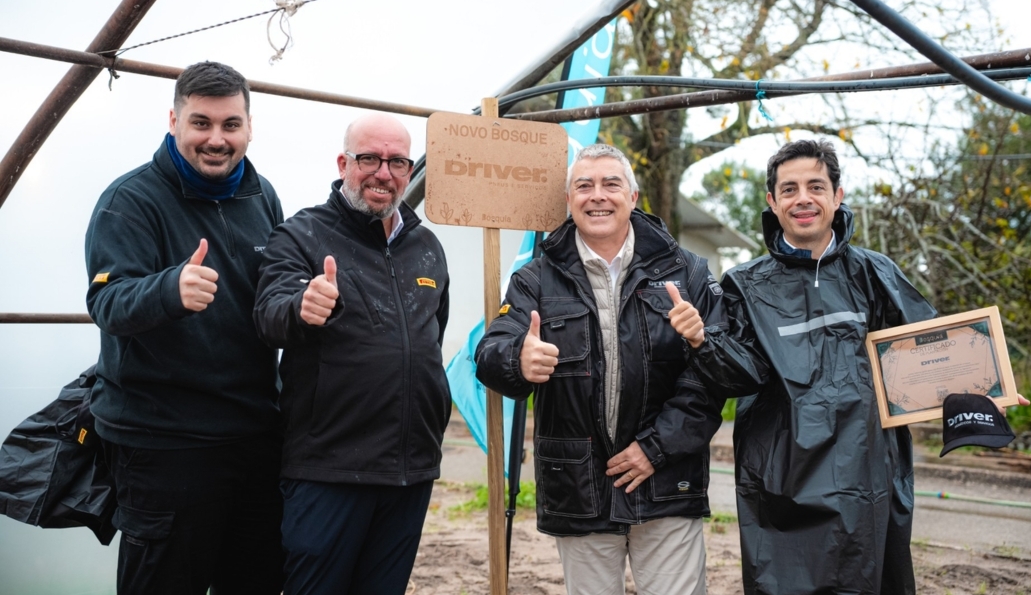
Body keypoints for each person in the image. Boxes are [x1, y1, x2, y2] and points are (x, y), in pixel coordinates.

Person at [475, 143, 758, 595]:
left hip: (666, 483)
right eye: (583, 186)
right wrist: (517, 359)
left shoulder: (686, 272)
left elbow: (720, 378)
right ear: (569, 201)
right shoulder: (536, 278)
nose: (597, 196)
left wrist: (656, 446)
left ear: (634, 195)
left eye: (611, 183)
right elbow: (490, 352)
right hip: (580, 487)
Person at [84, 61, 284, 594]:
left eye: (230, 125)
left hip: (255, 439)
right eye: (201, 123)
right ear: (172, 121)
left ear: (248, 126)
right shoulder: (130, 201)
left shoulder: (262, 195)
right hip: (165, 446)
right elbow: (107, 300)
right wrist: (168, 290)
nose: (216, 139)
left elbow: (274, 298)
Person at [711, 139, 936, 594]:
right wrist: (700, 340)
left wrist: (979, 395)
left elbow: (931, 353)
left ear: (838, 195)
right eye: (789, 189)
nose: (803, 199)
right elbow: (735, 376)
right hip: (781, 483)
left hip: (867, 477)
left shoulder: (875, 274)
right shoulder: (743, 286)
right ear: (772, 202)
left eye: (816, 186)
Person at [253, 112, 450, 595]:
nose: (384, 173)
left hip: (409, 469)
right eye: (369, 159)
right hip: (329, 470)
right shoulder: (302, 235)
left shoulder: (427, 247)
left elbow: (431, 339)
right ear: (344, 162)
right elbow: (268, 314)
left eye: (397, 162)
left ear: (409, 170)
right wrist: (303, 305)